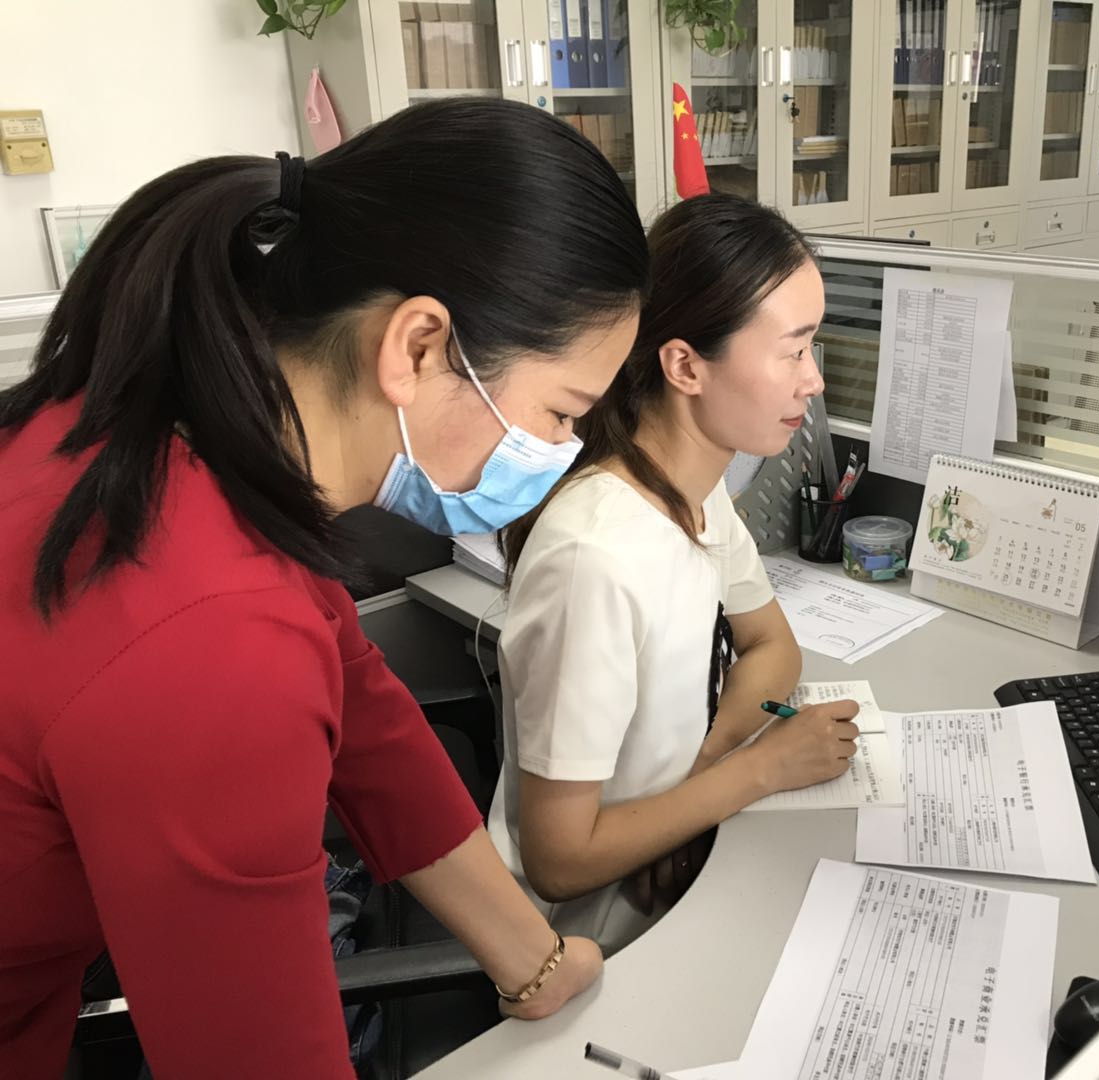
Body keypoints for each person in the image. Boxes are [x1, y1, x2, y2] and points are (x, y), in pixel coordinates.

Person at [0, 98, 649, 1077]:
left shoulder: (175, 437)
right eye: (562, 414)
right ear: (418, 347)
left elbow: (372, 722)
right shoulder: (213, 636)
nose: (562, 451)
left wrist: (536, 961)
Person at [493, 194, 860, 953]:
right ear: (686, 365)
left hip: (680, 879)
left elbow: (774, 649)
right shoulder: (595, 558)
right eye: (793, 351)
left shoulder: (693, 493)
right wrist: (757, 771)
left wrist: (698, 786)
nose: (814, 381)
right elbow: (559, 862)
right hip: (590, 941)